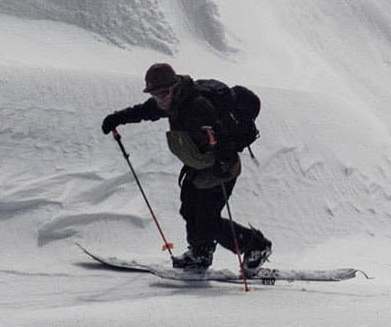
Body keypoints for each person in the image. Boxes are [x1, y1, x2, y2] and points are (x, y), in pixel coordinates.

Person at [100, 62, 271, 274]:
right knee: (189, 208)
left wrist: (224, 163)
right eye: (155, 94)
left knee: (207, 221)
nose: (159, 98)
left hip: (222, 166)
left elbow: (223, 136)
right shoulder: (171, 103)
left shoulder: (197, 105)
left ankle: (256, 247)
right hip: (200, 164)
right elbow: (143, 111)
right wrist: (117, 118)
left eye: (163, 93)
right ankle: (200, 253)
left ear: (175, 86)